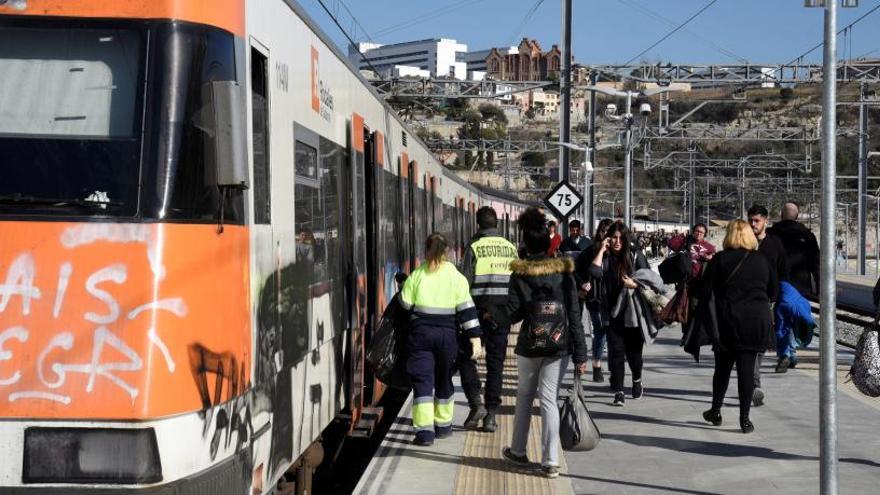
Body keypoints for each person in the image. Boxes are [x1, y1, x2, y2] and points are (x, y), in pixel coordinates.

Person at [502, 207, 588, 478]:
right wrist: (581, 354)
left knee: (525, 397)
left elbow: (513, 313)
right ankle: (551, 461)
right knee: (548, 399)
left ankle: (517, 451)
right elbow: (574, 313)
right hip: (559, 345)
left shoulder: (520, 274)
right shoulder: (564, 273)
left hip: (530, 344)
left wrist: (492, 314)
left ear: (525, 243)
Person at [400, 233, 482, 446]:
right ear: (448, 251)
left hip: (421, 336)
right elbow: (467, 311)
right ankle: (443, 427)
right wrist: (475, 338)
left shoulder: (417, 275)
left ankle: (425, 433)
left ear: (426, 250)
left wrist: (403, 288)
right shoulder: (456, 277)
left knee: (423, 382)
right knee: (444, 378)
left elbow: (406, 305)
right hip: (448, 336)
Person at [700, 220, 778, 434]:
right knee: (746, 370)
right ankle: (745, 420)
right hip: (756, 320)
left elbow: (705, 291)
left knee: (722, 369)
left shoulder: (720, 259)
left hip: (727, 320)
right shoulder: (763, 260)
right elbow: (773, 291)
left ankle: (715, 411)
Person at [459, 206, 518, 432]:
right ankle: (491, 415)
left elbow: (465, 284)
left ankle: (476, 404)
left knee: (467, 358)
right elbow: (517, 284)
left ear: (478, 224)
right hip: (501, 316)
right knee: (496, 365)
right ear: (497, 225)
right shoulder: (510, 248)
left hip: (476, 313)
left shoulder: (474, 247)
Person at [588, 221, 650, 406]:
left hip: (633, 313)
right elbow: (594, 272)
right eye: (613, 237)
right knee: (616, 353)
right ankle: (619, 391)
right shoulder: (606, 257)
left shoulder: (634, 255)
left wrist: (635, 284)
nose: (616, 241)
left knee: (634, 354)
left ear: (625, 238)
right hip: (611, 313)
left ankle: (637, 380)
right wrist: (601, 250)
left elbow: (650, 278)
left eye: (620, 238)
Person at [747, 205, 789, 405]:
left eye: (756, 220)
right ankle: (753, 384)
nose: (752, 224)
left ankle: (752, 383)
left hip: (768, 301)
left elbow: (783, 271)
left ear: (765, 220)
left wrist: (781, 297)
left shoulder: (775, 243)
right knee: (750, 346)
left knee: (761, 345)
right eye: (750, 220)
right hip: (746, 300)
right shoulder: (744, 241)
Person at [575, 218, 614, 382]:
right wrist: (582, 283)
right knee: (600, 330)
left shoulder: (619, 252)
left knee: (613, 334)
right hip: (595, 298)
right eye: (604, 231)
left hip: (613, 298)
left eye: (610, 232)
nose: (607, 235)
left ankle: (613, 368)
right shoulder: (591, 250)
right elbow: (576, 269)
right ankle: (597, 365)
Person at [767, 202, 820, 299]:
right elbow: (816, 265)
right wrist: (819, 288)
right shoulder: (807, 235)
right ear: (797, 216)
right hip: (801, 288)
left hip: (775, 288)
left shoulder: (770, 234)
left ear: (781, 215)